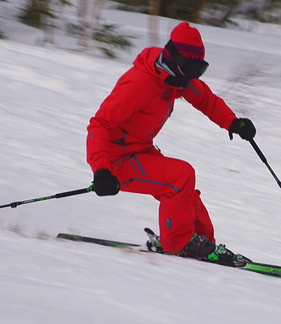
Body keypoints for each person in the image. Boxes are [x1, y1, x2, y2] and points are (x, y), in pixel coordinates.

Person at [86, 21, 256, 266]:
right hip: (115, 161)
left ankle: (201, 243)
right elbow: (99, 125)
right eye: (190, 68)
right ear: (174, 58)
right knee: (181, 176)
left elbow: (206, 99)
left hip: (140, 150)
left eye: (200, 69)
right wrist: (101, 170)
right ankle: (178, 243)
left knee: (187, 197)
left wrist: (233, 123)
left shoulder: (176, 77)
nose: (193, 76)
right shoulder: (140, 84)